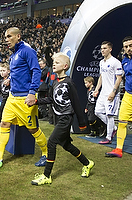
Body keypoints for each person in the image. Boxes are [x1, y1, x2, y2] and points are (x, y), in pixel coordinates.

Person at [0, 27, 48, 168]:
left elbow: (36, 70)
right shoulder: (14, 54)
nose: (6, 39)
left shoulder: (27, 51)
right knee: (4, 124)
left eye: (9, 36)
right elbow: (18, 71)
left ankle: (46, 154)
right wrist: (10, 78)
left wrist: (32, 92)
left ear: (18, 36)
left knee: (33, 129)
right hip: (12, 97)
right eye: (5, 37)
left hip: (25, 98)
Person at [30, 52, 94, 186]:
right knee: (66, 145)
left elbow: (76, 103)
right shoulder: (54, 82)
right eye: (54, 63)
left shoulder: (69, 82)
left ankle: (46, 175)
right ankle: (87, 163)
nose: (54, 64)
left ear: (65, 66)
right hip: (58, 118)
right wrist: (36, 101)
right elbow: (51, 99)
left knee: (51, 143)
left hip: (66, 118)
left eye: (57, 63)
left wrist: (82, 122)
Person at [94, 41, 123, 144]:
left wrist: (113, 92)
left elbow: (119, 78)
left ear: (110, 49)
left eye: (105, 48)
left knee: (110, 115)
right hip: (103, 93)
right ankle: (114, 128)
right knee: (97, 111)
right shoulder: (101, 62)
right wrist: (97, 89)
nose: (102, 50)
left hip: (112, 93)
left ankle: (109, 138)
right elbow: (101, 76)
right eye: (101, 48)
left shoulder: (115, 62)